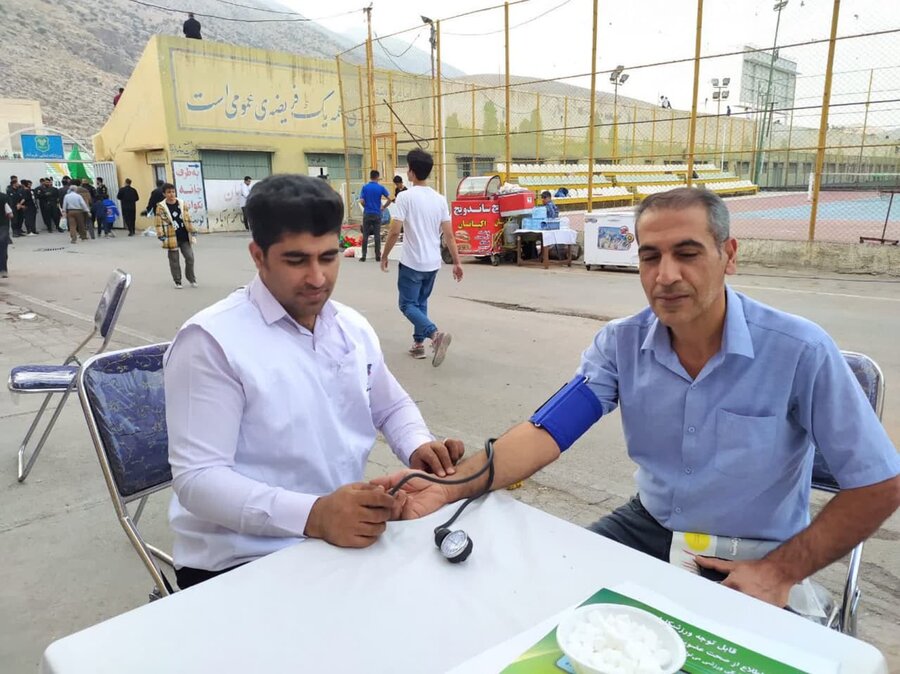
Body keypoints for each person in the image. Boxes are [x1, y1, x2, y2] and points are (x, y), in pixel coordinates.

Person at [378, 187, 900, 610]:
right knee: (540, 609)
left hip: (755, 550)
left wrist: (781, 571)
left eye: (687, 253)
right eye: (650, 256)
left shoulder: (799, 351)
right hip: (649, 526)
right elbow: (545, 433)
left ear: (729, 255)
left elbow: (880, 482)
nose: (665, 275)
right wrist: (446, 488)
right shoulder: (621, 344)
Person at [164, 174, 465, 589]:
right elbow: (198, 479)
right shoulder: (212, 342)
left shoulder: (350, 328)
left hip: (341, 533)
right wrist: (315, 515)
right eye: (296, 260)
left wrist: (418, 445)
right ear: (258, 256)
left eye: (328, 257)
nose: (317, 277)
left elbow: (391, 405)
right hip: (240, 558)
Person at [381, 149, 463, 366]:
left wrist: (384, 255)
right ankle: (418, 344)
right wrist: (457, 262)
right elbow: (449, 235)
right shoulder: (440, 199)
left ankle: (435, 334)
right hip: (433, 263)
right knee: (420, 302)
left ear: (411, 171)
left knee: (407, 305)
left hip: (412, 262)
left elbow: (394, 231)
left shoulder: (405, 197)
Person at [155, 182, 197, 289]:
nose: (171, 194)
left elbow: (187, 218)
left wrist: (192, 230)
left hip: (184, 236)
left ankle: (191, 279)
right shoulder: (161, 207)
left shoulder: (182, 204)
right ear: (164, 194)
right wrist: (161, 235)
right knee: (174, 260)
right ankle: (178, 281)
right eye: (169, 192)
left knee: (190, 257)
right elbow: (158, 222)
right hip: (171, 237)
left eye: (173, 192)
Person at [358, 169, 390, 263]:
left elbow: (361, 201)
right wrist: (383, 207)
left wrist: (366, 207)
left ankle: (363, 256)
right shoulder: (381, 188)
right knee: (377, 235)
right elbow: (390, 198)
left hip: (367, 213)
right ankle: (377, 256)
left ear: (370, 176)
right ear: (377, 177)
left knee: (365, 235)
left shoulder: (365, 187)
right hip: (377, 214)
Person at [1, 190, 11, 278]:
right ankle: (3, 270)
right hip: (3, 226)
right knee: (3, 248)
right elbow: (10, 214)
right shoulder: (4, 197)